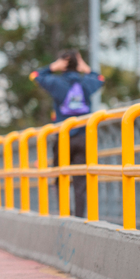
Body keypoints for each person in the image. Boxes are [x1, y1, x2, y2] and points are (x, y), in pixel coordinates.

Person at [30, 50, 104, 218]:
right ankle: (79, 217)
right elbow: (101, 79)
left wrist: (52, 66)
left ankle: (65, 213)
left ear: (62, 65)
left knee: (60, 176)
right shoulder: (86, 83)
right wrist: (85, 68)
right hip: (84, 137)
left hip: (63, 137)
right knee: (81, 181)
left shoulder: (55, 83)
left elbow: (34, 75)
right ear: (78, 65)